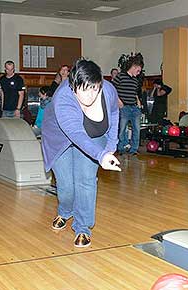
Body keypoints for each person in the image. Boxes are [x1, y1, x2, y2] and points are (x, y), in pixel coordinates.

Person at [42, 59, 121, 248]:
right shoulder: (63, 97)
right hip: (60, 138)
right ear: (73, 85)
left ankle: (83, 227)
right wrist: (100, 156)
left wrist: (111, 146)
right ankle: (65, 210)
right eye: (84, 89)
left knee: (85, 180)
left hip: (93, 135)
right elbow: (76, 134)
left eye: (94, 88)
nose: (90, 95)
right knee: (67, 185)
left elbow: (114, 113)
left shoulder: (108, 90)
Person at [113, 54, 143, 155]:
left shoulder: (135, 80)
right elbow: (112, 89)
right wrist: (118, 101)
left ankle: (134, 149)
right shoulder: (120, 76)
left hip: (134, 107)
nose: (138, 73)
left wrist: (138, 100)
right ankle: (121, 148)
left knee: (137, 130)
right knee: (122, 129)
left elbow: (134, 92)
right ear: (133, 67)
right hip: (124, 107)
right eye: (138, 70)